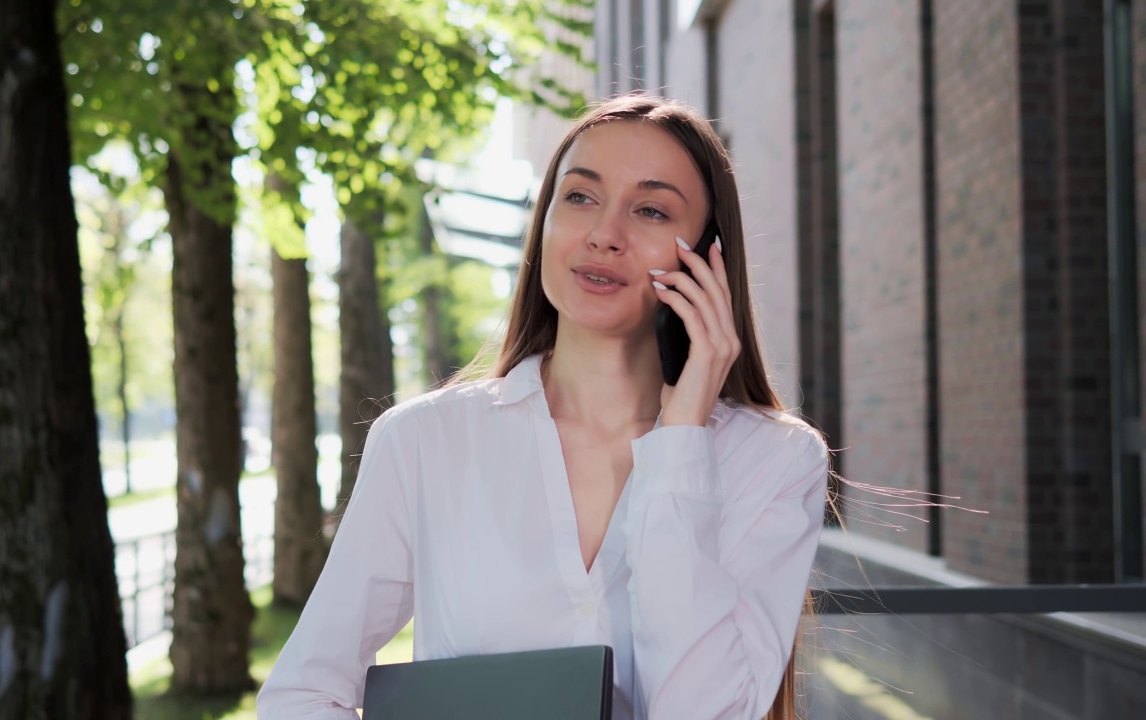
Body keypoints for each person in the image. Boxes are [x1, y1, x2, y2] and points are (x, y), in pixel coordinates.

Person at [257, 94, 830, 720]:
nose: (604, 235)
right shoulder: (424, 442)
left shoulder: (775, 458)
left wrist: (683, 440)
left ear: (710, 254)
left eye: (650, 210)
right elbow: (302, 695)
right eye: (580, 197)